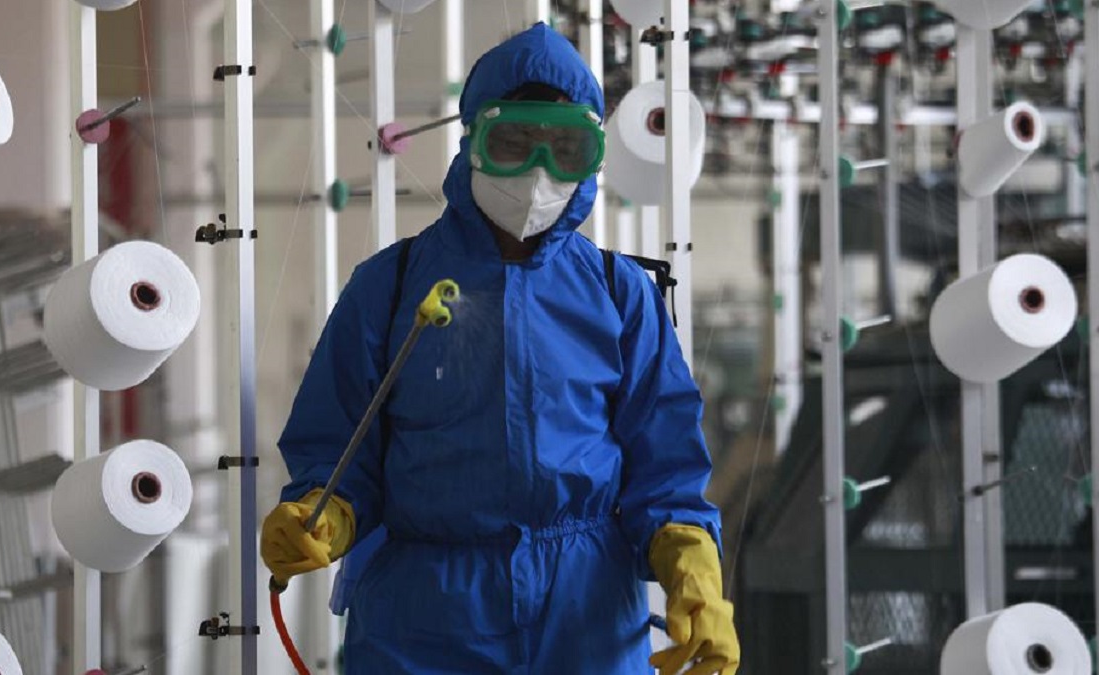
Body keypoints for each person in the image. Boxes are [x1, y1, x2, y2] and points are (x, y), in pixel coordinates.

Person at [262, 21, 740, 675]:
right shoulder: (390, 286)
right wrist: (324, 513)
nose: (538, 174)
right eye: (511, 141)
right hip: (424, 617)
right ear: (472, 143)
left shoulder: (619, 293)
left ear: (591, 157)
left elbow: (668, 469)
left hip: (586, 615)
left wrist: (694, 572)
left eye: (565, 148)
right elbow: (338, 444)